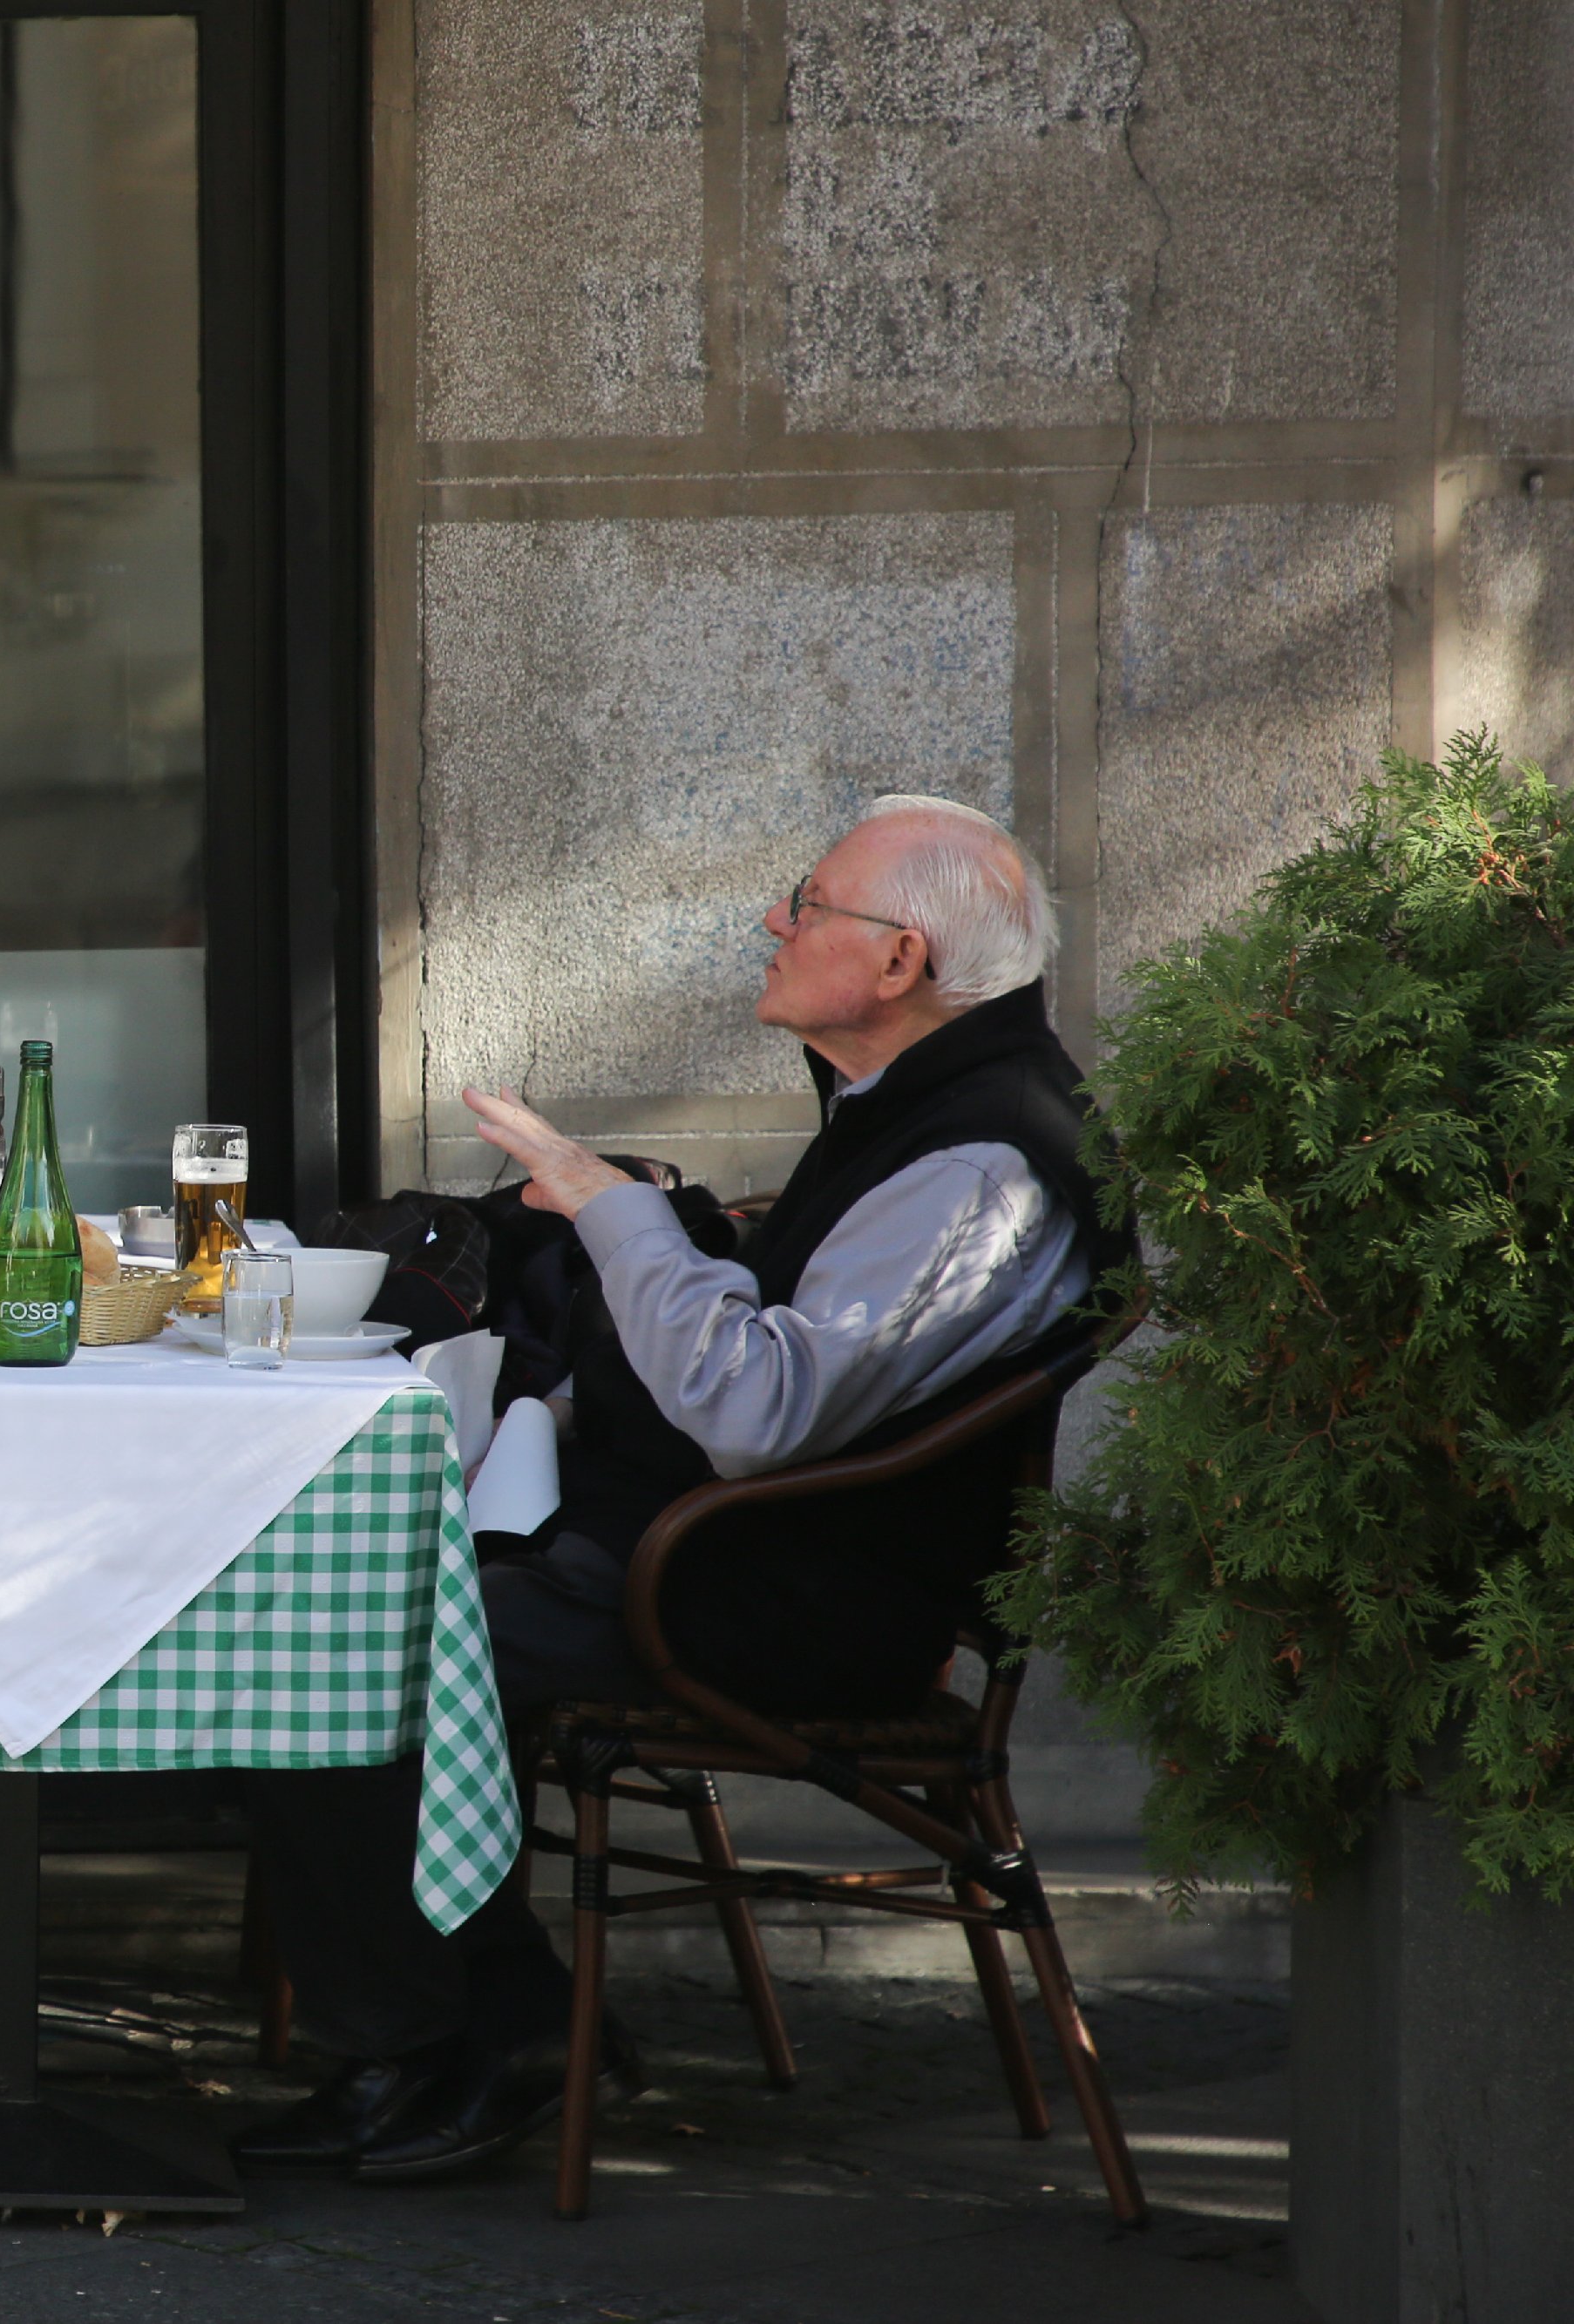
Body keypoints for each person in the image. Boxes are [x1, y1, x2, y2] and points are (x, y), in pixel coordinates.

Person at [236, 795, 1135, 2188]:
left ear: (899, 962)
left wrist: (613, 1203)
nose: (774, 922)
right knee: (317, 1588)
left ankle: (428, 2046)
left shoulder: (983, 1161)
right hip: (714, 1545)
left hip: (783, 1590)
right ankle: (508, 2019)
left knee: (322, 1649)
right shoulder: (905, 1104)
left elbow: (759, 1410)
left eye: (806, 901)